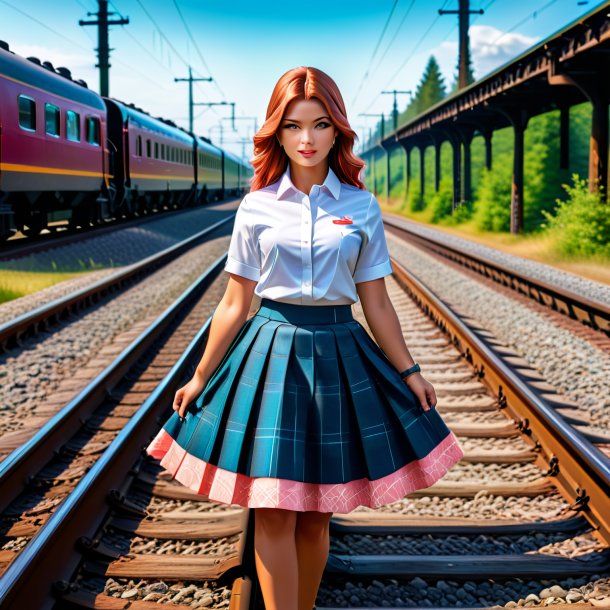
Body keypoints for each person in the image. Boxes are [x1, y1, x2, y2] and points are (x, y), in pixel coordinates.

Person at [146, 66, 465, 610]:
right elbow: (234, 302)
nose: (307, 139)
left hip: (340, 351)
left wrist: (411, 372)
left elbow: (378, 302)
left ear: (337, 130)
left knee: (316, 515)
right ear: (278, 131)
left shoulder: (360, 207)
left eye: (320, 125)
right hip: (268, 353)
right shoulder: (257, 206)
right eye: (294, 126)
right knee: (272, 508)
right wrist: (200, 374)